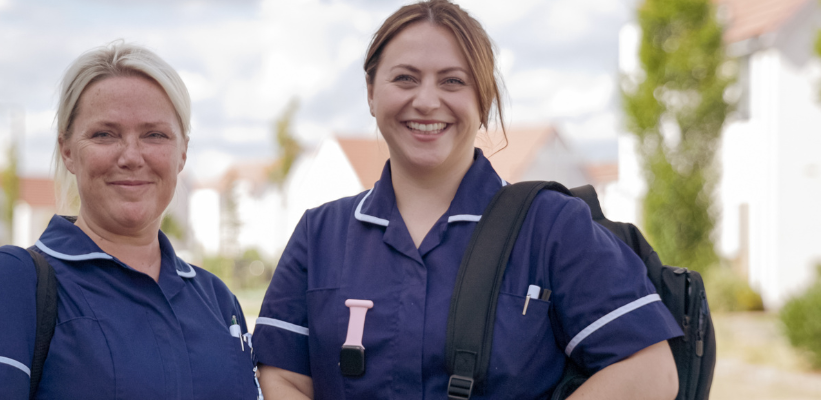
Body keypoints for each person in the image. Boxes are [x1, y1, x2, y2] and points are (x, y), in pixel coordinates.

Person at [252, 1, 683, 399]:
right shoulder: (319, 234)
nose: (425, 101)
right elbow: (283, 374)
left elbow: (649, 371)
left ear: (484, 98)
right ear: (370, 92)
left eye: (452, 81)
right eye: (404, 78)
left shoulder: (552, 226)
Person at [0, 41, 259, 399]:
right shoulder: (7, 282)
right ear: (68, 150)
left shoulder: (217, 301)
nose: (132, 156)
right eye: (105, 134)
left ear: (182, 152)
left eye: (155, 135)